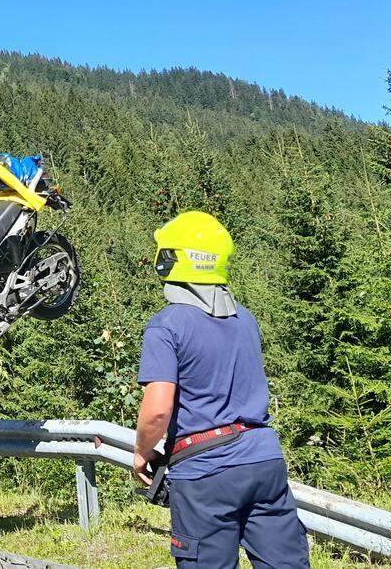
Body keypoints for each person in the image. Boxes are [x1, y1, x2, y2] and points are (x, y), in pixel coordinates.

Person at [132, 211, 309, 568]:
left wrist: (141, 452)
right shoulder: (245, 319)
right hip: (263, 460)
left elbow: (158, 409)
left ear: (173, 260)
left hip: (205, 473)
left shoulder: (166, 325)